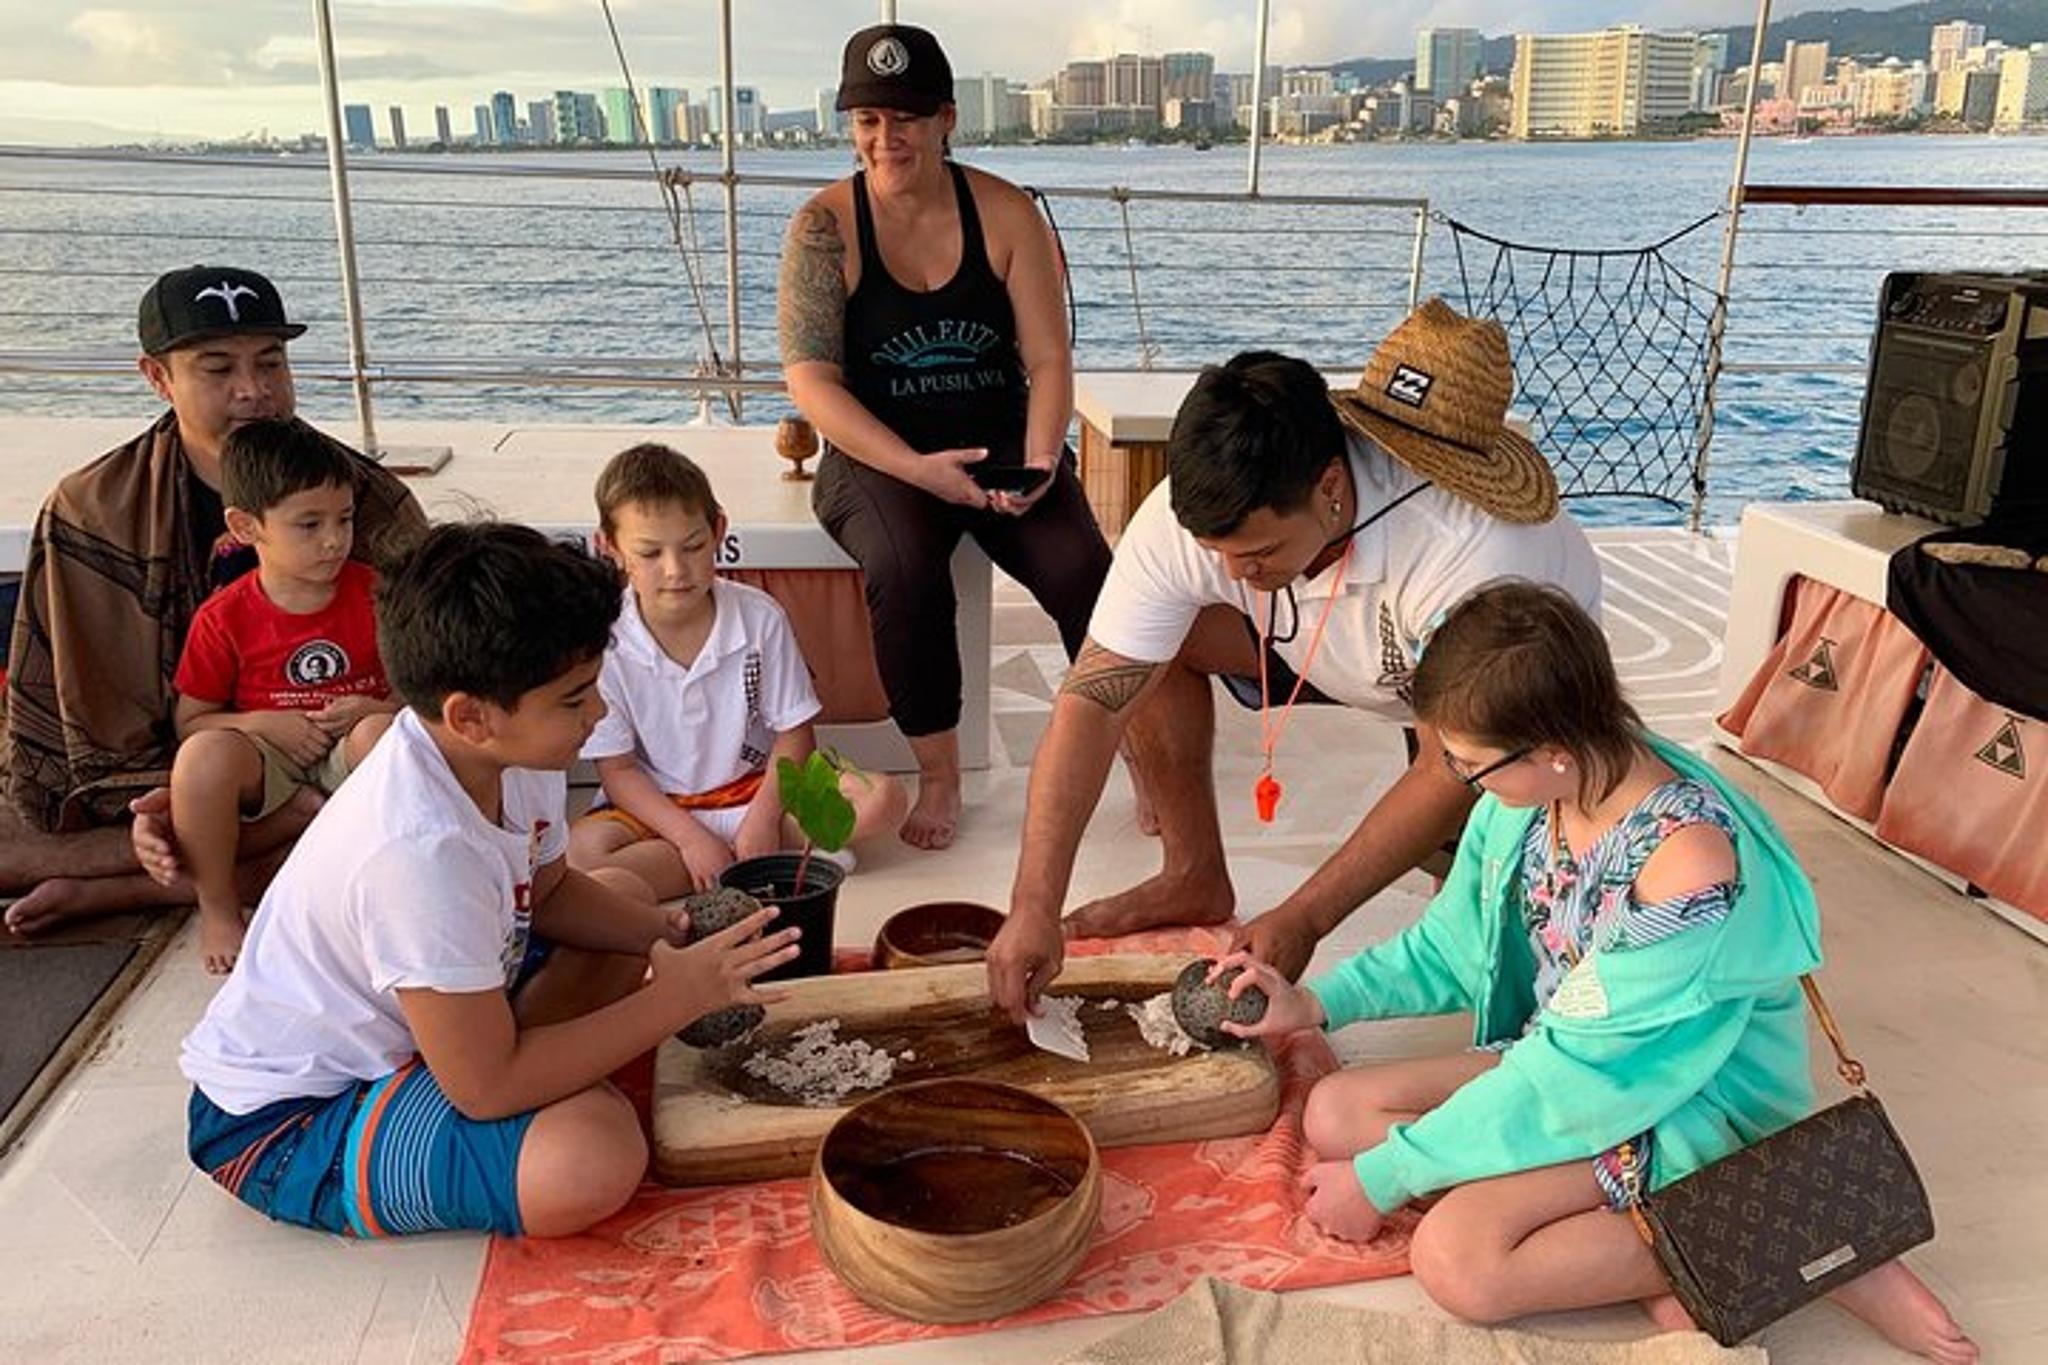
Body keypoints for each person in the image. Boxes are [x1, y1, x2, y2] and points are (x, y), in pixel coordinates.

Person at [1208, 582, 1977, 1363]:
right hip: (1575, 1067)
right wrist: (1313, 1001)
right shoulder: (1530, 799)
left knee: (1458, 1258)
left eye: (1468, 762)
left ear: (1552, 747)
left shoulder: (1687, 868)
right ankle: (1666, 1247)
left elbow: (1574, 1076)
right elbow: (1451, 948)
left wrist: (1387, 1177)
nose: (1455, 777)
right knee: (1335, 1111)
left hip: (1682, 1105)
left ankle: (1788, 1223)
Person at [179, 522, 801, 1239]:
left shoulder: (508, 757)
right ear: (470, 715)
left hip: (429, 1035)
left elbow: (555, 891)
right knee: (593, 1153)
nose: (597, 713)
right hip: (289, 1117)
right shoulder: (416, 851)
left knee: (629, 899)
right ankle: (522, 1082)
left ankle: (523, 1061)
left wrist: (669, 932)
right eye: (574, 699)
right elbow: (486, 1088)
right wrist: (674, 999)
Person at [989, 301, 1604, 1020]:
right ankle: (1193, 872)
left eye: (1255, 555)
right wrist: (1033, 901)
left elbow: (1449, 765)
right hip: (1321, 641)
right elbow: (1093, 698)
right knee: (1155, 642)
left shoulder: (1474, 552)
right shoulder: (1194, 517)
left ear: (1332, 491)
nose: (1233, 572)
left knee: (1478, 943)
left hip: (1492, 690)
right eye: (1218, 555)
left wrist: (1307, 914)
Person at [2, 265, 425, 934]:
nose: (253, 390)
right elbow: (85, 714)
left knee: (404, 792)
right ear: (158, 377)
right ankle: (216, 842)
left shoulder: (365, 496)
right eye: (218, 368)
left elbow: (432, 666)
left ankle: (134, 881)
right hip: (183, 762)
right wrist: (174, 783)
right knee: (59, 828)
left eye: (271, 362)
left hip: (341, 747)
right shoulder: (92, 510)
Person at [779, 22, 1112, 850]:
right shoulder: (823, 227)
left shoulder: (1005, 213)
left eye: (905, 119)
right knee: (907, 569)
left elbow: (1046, 355)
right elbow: (811, 381)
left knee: (1087, 572)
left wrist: (1041, 462)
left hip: (1003, 439)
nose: (885, 140)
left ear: (946, 119)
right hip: (880, 453)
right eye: (866, 122)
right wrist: (918, 472)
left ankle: (1138, 743)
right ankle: (939, 770)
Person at [567, 444, 907, 897]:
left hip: (756, 792)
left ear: (718, 531)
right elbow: (619, 771)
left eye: (693, 546)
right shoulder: (605, 640)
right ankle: (762, 856)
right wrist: (690, 838)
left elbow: (795, 735)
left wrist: (763, 819)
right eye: (649, 553)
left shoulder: (759, 617)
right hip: (662, 813)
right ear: (609, 547)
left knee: (884, 800)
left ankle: (753, 847)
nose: (675, 570)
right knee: (583, 854)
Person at [169, 418, 400, 974]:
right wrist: (260, 724)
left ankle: (384, 890)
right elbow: (191, 722)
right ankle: (219, 906)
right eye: (309, 524)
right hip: (268, 759)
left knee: (387, 734)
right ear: (247, 527)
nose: (333, 540)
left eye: (344, 520)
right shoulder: (225, 617)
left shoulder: (377, 594)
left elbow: (423, 695)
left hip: (353, 750)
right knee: (201, 760)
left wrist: (377, 709)